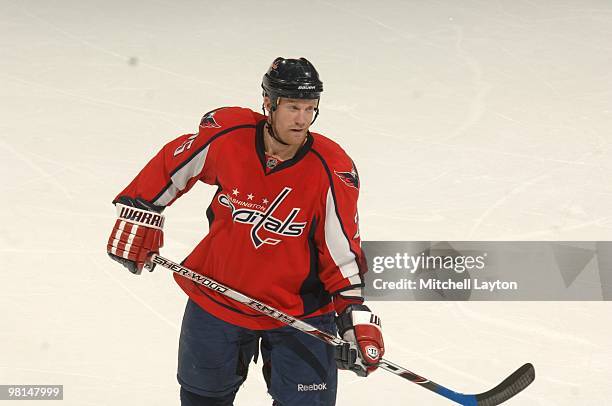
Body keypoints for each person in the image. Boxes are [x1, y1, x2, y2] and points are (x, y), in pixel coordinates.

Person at [106, 57, 385, 406]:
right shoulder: (230, 135)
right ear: (269, 104)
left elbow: (340, 249)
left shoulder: (331, 167)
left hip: (298, 312)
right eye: (293, 107)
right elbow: (173, 165)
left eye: (310, 109)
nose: (302, 119)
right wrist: (139, 210)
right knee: (201, 399)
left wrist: (352, 310)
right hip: (217, 296)